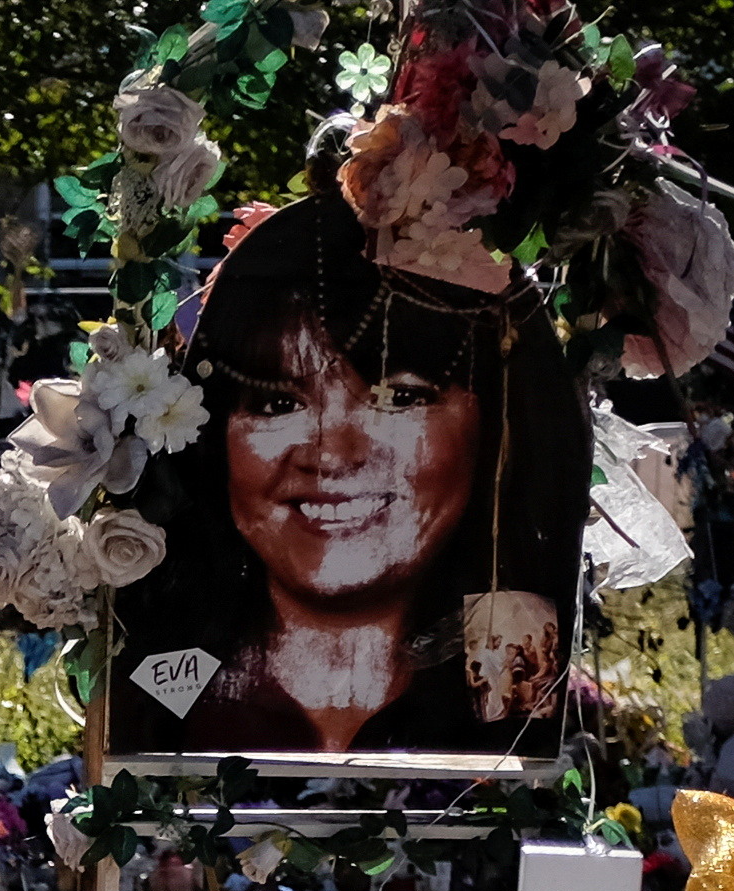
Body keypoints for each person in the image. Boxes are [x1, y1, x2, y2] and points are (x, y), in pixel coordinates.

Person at [112, 178, 588, 760]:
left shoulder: (513, 695)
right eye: (277, 403)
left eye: (399, 398)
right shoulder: (167, 695)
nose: (332, 453)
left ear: (495, 429)